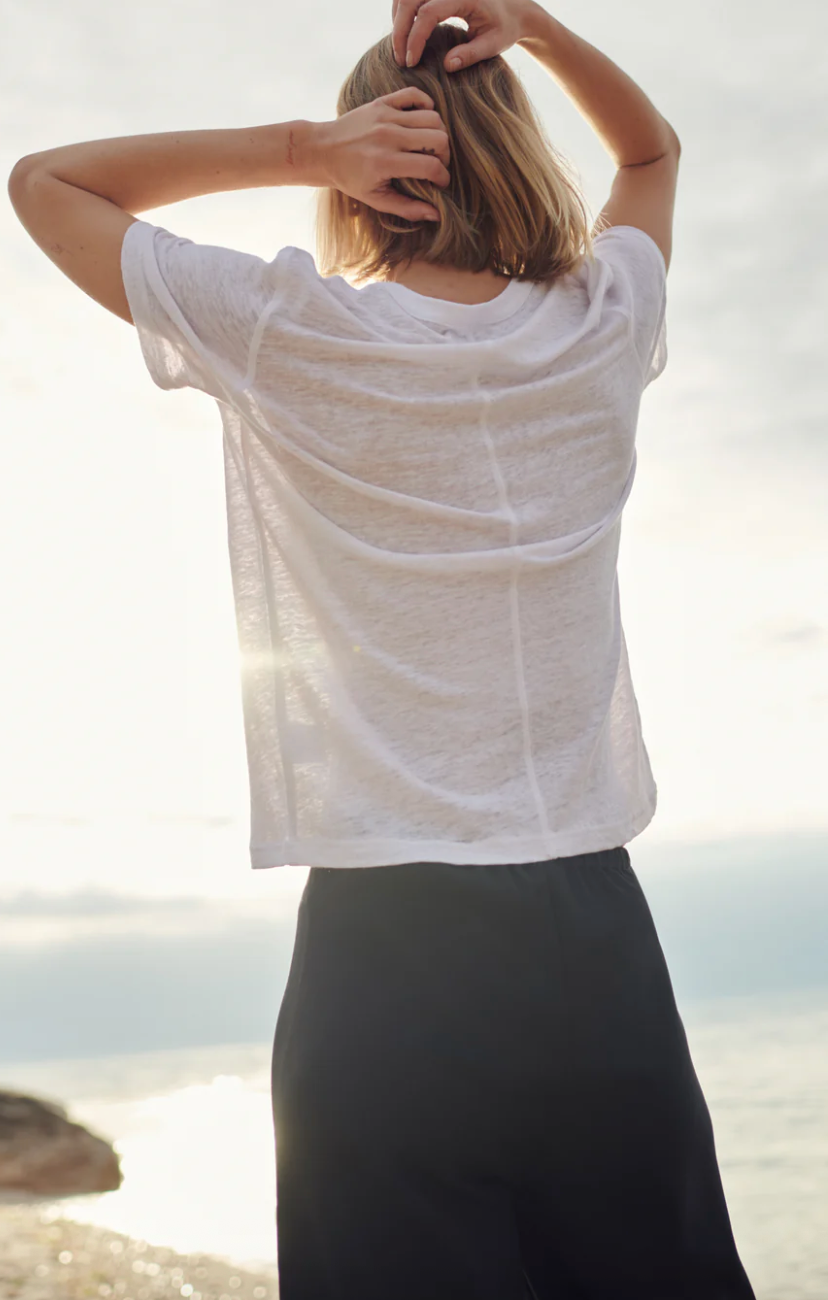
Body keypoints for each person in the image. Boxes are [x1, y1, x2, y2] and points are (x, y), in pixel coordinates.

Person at [8, 1, 757, 1297]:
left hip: (387, 949)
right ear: (519, 148)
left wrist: (310, 145)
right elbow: (650, 159)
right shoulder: (597, 325)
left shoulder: (287, 326)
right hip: (594, 941)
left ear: (371, 166)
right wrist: (536, 27)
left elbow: (48, 181)